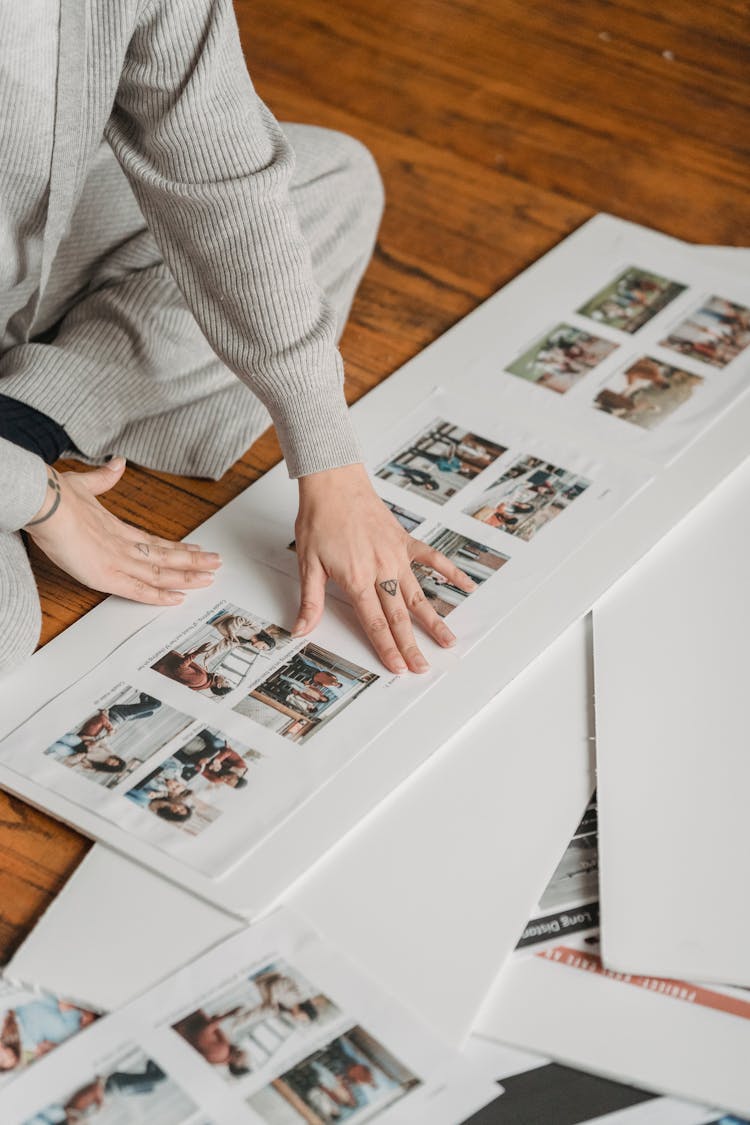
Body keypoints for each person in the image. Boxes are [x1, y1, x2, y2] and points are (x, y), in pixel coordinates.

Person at [0, 0, 474, 684]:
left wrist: (332, 465)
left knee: (330, 179)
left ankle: (24, 417)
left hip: (29, 260)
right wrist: (36, 498)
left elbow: (221, 180)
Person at [173, 1008, 250, 1076]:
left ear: (238, 1064)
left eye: (246, 1061)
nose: (247, 1057)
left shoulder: (221, 1052)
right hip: (183, 1017)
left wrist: (229, 1014)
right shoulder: (222, 1056)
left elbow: (203, 1031)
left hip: (182, 1015)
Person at [152, 648, 232, 695]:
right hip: (161, 659)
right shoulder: (205, 679)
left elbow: (180, 668)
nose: (225, 677)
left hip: (159, 659)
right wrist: (187, 655)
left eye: (226, 681)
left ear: (218, 685)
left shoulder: (201, 679)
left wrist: (197, 652)